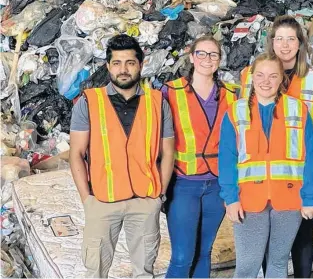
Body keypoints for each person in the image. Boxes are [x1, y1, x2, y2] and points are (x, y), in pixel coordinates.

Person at [69, 34, 175, 278]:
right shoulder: (89, 102)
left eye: (130, 62)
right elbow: (76, 153)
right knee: (95, 270)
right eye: (116, 63)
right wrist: (87, 200)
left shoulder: (158, 103)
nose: (123, 70)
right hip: (102, 201)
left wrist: (160, 194)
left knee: (144, 271)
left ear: (141, 64)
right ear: (108, 66)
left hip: (145, 201)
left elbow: (168, 152)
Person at [240, 16, 313, 278]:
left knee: (303, 237)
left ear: (300, 44)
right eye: (279, 38)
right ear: (271, 42)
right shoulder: (252, 75)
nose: (285, 45)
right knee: (269, 243)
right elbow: (241, 126)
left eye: (291, 39)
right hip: (264, 175)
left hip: (303, 174)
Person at [218, 53, 313, 278]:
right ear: (251, 77)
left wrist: (309, 197)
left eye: (273, 76)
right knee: (247, 267)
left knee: (277, 264)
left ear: (281, 80)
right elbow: (227, 160)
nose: (266, 81)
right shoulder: (235, 112)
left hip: (288, 199)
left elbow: (311, 156)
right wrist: (231, 199)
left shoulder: (298, 109)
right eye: (261, 75)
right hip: (249, 200)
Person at [161, 36, 238, 278]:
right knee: (183, 256)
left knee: (204, 251)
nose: (207, 59)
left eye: (213, 54)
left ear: (219, 60)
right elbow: (158, 140)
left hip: (217, 185)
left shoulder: (231, 95)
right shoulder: (170, 91)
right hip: (184, 183)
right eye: (202, 54)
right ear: (192, 57)